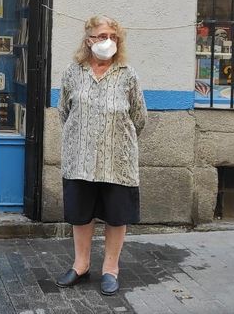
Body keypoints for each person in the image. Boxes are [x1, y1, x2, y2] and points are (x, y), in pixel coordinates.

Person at [55, 15, 147, 295]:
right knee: (81, 215)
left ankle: (110, 269)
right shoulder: (73, 72)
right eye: (102, 36)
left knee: (116, 216)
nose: (108, 42)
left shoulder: (127, 74)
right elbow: (64, 112)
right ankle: (81, 265)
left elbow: (139, 117)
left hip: (116, 161)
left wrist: (115, 140)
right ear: (89, 40)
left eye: (113, 37)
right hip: (80, 159)